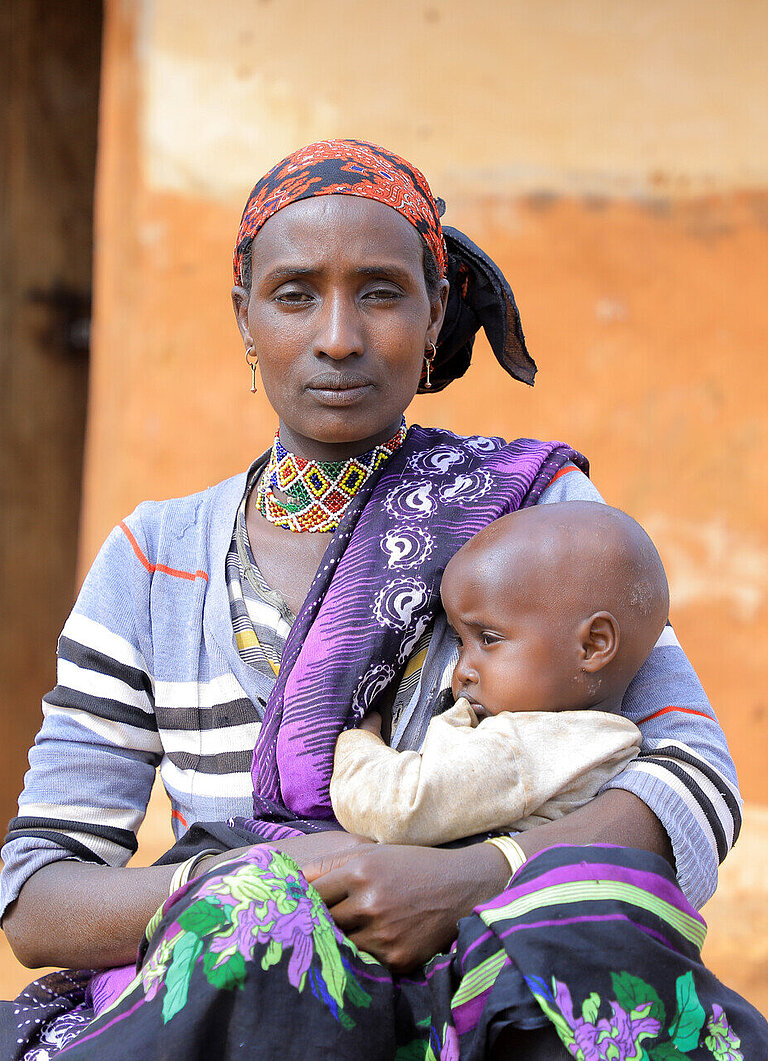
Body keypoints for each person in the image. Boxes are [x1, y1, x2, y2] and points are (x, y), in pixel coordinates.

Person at [0, 139, 763, 1059]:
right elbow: (39, 893)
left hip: (479, 987)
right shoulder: (154, 559)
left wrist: (474, 876)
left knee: (595, 920)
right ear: (244, 316)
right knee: (258, 929)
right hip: (239, 998)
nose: (337, 336)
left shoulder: (533, 519)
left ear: (436, 313)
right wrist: (265, 881)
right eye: (294, 295)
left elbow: (694, 778)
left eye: (380, 291)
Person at [330, 501, 665, 846]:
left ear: (593, 645)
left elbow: (395, 808)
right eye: (459, 643)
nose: (462, 671)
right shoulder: (599, 741)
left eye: (488, 639)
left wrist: (358, 741)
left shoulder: (524, 748)